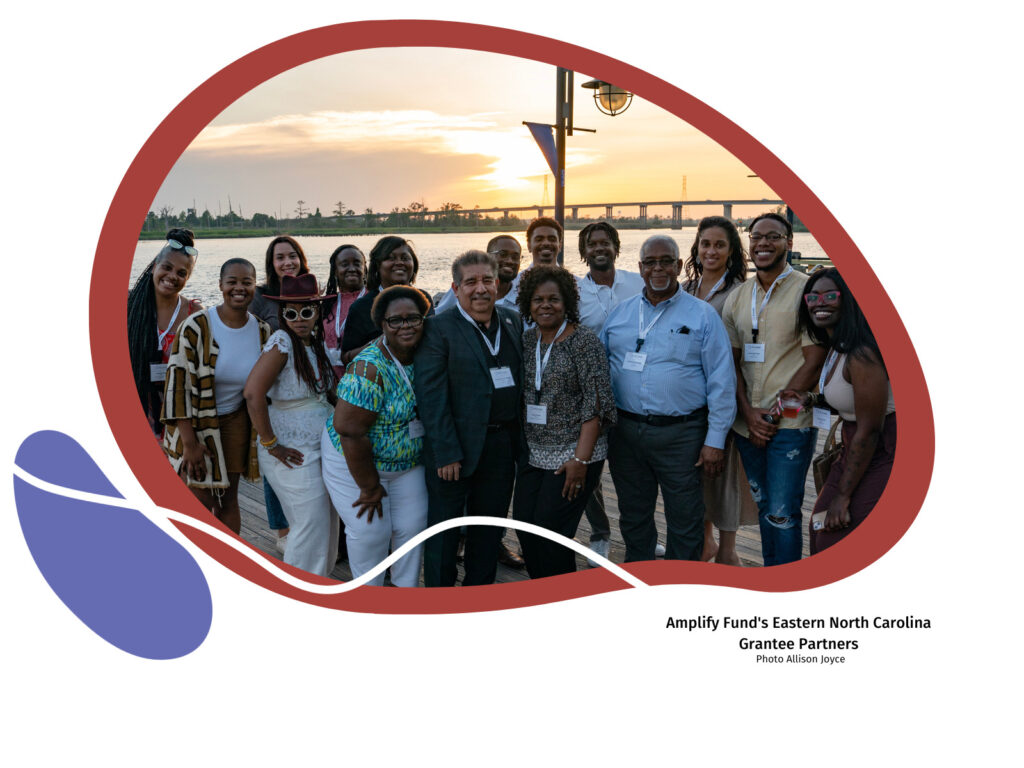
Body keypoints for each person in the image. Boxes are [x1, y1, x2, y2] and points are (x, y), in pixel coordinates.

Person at [601, 234, 736, 561]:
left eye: (665, 262)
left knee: (685, 516)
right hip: (626, 433)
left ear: (678, 266)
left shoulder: (702, 315)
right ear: (640, 267)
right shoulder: (619, 314)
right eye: (650, 262)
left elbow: (721, 380)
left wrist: (715, 440)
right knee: (633, 513)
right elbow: (602, 371)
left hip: (682, 435)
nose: (657, 268)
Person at [414, 250, 524, 587]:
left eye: (487, 280)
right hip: (454, 452)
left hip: (501, 448)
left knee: (488, 532)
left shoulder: (511, 320)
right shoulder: (437, 328)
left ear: (498, 285)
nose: (480, 289)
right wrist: (447, 452)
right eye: (471, 282)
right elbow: (431, 397)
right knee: (444, 536)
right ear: (456, 288)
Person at [721, 212, 825, 566]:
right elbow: (730, 364)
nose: (762, 243)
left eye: (773, 236)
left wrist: (771, 417)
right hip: (747, 425)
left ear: (789, 243)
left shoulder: (806, 291)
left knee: (783, 513)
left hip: (790, 426)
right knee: (766, 505)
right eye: (756, 237)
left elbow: (814, 361)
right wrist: (750, 416)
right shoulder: (738, 297)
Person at [321, 286, 432, 586]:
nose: (405, 326)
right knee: (371, 531)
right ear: (382, 324)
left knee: (413, 527)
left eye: (414, 318)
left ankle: (403, 594)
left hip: (407, 463)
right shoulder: (369, 367)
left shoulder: (429, 353)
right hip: (353, 461)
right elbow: (350, 431)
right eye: (396, 320)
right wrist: (369, 488)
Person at [512, 265, 616, 578]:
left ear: (567, 302)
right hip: (534, 453)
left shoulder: (584, 343)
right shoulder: (528, 342)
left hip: (575, 453)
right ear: (528, 304)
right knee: (524, 528)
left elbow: (596, 406)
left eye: (553, 299)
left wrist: (580, 460)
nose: (546, 305)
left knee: (551, 532)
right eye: (538, 299)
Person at [786, 268, 895, 553]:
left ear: (848, 300)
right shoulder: (837, 345)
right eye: (813, 297)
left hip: (882, 451)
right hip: (854, 447)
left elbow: (870, 429)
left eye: (831, 296)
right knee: (819, 527)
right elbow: (849, 402)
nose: (820, 303)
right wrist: (810, 400)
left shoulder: (862, 352)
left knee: (836, 532)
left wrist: (843, 496)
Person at [162, 258, 271, 535]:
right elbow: (176, 385)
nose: (239, 288)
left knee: (227, 498)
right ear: (220, 285)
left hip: (235, 420)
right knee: (199, 499)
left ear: (254, 287)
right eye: (232, 282)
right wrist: (189, 444)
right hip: (194, 422)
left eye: (246, 282)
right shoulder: (196, 326)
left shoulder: (261, 331)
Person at [243, 274, 340, 577]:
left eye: (306, 312)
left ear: (318, 313)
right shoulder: (282, 341)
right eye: (291, 313)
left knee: (326, 523)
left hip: (318, 448)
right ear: (282, 314)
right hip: (291, 450)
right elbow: (252, 392)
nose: (299, 319)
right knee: (309, 524)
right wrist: (271, 443)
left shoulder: (313, 343)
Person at [682, 216, 758, 566]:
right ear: (696, 248)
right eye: (705, 244)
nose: (711, 251)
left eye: (719, 245)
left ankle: (727, 550)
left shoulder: (741, 291)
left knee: (726, 475)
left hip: (725, 393)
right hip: (690, 398)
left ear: (731, 251)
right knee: (699, 475)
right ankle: (706, 542)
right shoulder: (684, 288)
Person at [574, 221, 644, 561]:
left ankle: (641, 538)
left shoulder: (638, 282)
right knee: (590, 471)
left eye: (605, 242)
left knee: (634, 472)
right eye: (592, 244)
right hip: (591, 396)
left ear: (616, 247)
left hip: (635, 392)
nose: (599, 248)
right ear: (584, 253)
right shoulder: (575, 290)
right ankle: (600, 535)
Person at [247, 235, 312, 551]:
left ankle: (307, 524)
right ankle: (282, 530)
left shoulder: (311, 292)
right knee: (275, 460)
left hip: (305, 386)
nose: (288, 262)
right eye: (280, 257)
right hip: (272, 386)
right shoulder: (261, 298)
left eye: (293, 256)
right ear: (271, 264)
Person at [127, 228, 202, 438]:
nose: (172, 277)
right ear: (153, 267)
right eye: (166, 267)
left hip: (178, 419)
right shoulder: (127, 305)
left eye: (181, 273)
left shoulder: (194, 314)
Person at [341, 236, 431, 363]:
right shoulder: (361, 307)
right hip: (381, 378)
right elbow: (346, 358)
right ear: (377, 266)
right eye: (390, 258)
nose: (399, 262)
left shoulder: (424, 299)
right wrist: (381, 343)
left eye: (405, 258)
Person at [434, 234, 522, 313]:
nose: (510, 261)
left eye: (515, 257)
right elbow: (437, 316)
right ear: (488, 257)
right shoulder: (464, 290)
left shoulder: (522, 299)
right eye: (502, 254)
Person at [322, 243, 368, 378]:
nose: (352, 268)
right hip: (329, 380)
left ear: (365, 268)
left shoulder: (374, 300)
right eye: (344, 264)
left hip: (363, 378)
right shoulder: (326, 303)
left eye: (357, 263)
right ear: (335, 270)